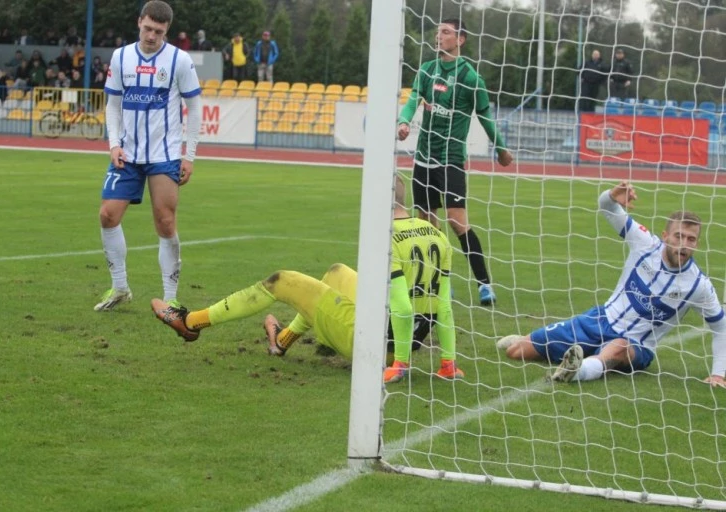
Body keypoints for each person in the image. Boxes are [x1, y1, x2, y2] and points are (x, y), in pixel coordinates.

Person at [150, 177, 465, 383]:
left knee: (280, 280)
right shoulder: (437, 234)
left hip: (372, 343)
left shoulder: (386, 237)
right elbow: (445, 307)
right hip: (405, 338)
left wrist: (399, 364)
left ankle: (191, 322)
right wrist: (448, 363)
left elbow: (401, 307)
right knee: (336, 273)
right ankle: (282, 341)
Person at [497, 182, 726, 387]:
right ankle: (531, 340)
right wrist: (611, 195)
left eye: (691, 239)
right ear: (665, 235)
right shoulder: (645, 243)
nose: (684, 244)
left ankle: (577, 371)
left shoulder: (698, 285)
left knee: (618, 347)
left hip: (636, 346)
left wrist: (718, 375)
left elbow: (721, 327)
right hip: (599, 319)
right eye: (679, 236)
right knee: (516, 352)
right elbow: (607, 208)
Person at [397, 18, 514, 307]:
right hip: (424, 159)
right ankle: (436, 284)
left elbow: (485, 116)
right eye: (438, 32)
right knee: (426, 224)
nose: (439, 36)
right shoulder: (426, 70)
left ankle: (484, 284)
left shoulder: (470, 77)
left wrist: (501, 148)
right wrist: (403, 121)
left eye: (446, 32)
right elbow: (414, 99)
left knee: (457, 221)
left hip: (451, 160)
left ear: (460, 40)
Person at [95, 0, 203, 311]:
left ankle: (170, 298)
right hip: (127, 153)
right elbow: (113, 104)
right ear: (139, 22)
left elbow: (194, 109)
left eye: (159, 31)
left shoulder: (179, 61)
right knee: (107, 215)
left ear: (167, 30)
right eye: (147, 28)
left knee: (165, 222)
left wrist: (189, 155)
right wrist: (113, 144)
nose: (152, 36)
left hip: (165, 153)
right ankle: (119, 288)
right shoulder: (121, 56)